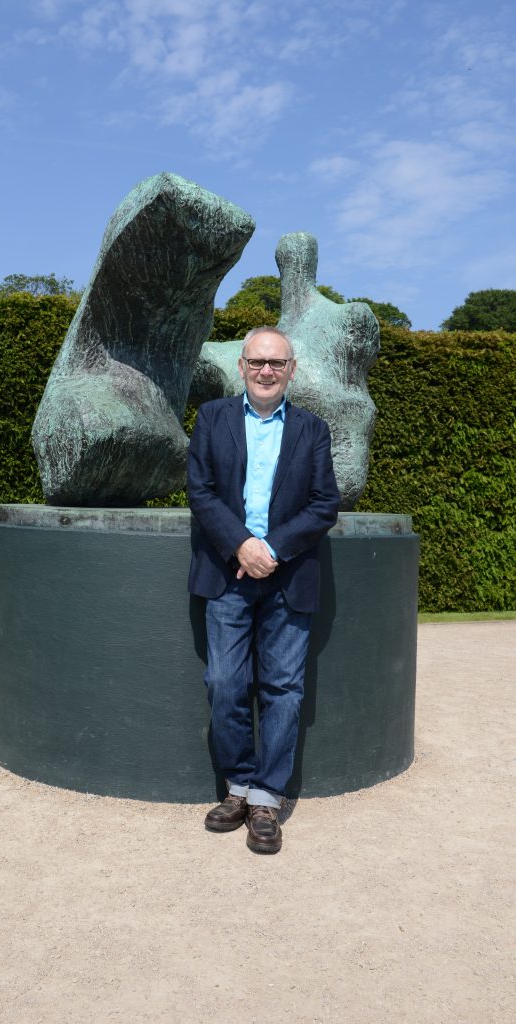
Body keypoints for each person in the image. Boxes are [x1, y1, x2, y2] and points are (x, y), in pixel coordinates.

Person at [187, 325, 340, 854]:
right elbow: (200, 491)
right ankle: (237, 788)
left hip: (289, 575)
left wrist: (271, 549)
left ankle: (266, 800)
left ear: (291, 370)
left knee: (283, 689)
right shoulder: (212, 419)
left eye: (277, 363)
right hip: (227, 574)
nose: (267, 371)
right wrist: (241, 546)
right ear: (242, 367)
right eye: (258, 362)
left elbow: (324, 504)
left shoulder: (312, 430)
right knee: (225, 682)